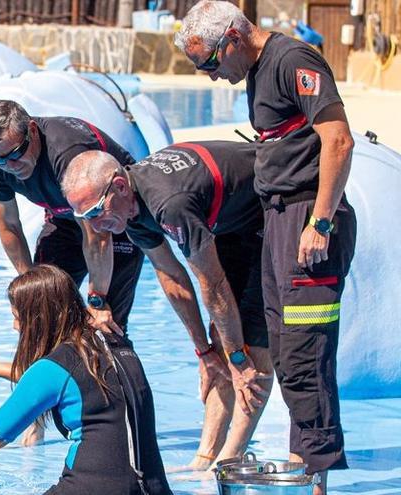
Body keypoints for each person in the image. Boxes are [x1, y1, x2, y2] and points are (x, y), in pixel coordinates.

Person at [175, 3, 357, 492]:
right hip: (278, 222)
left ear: (232, 38)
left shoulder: (293, 59)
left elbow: (338, 140)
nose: (212, 77)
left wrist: (318, 222)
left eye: (210, 63)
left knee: (303, 353)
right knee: (279, 347)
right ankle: (302, 470)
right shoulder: (257, 73)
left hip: (307, 218)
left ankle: (314, 477)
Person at [60, 142, 273, 470]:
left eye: (95, 213)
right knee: (221, 342)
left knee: (250, 345)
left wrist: (238, 359)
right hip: (233, 221)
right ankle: (204, 457)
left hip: (275, 210)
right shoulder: (130, 212)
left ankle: (231, 458)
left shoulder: (169, 204)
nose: (94, 226)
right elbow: (173, 277)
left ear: (119, 186)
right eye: (83, 218)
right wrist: (204, 351)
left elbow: (212, 286)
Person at [0, 264, 173, 495]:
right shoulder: (118, 346)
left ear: (38, 319)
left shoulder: (55, 368)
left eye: (17, 318)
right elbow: (72, 384)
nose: (15, 327)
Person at [0, 100, 144, 335]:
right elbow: (9, 226)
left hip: (115, 219)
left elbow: (98, 235)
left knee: (107, 324)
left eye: (15, 154)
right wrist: (30, 290)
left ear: (32, 131)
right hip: (64, 220)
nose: (10, 166)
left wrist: (97, 299)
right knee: (41, 317)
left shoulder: (67, 152)